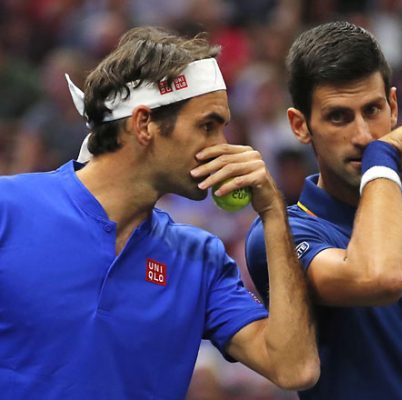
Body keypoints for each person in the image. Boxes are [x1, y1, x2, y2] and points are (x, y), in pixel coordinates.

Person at [0, 26, 319, 399]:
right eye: (208, 126)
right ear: (144, 124)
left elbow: (294, 366)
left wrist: (274, 212)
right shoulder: (10, 209)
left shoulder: (201, 258)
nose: (224, 147)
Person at [246, 21, 402, 399]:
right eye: (338, 117)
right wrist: (384, 157)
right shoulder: (283, 235)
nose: (363, 135)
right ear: (300, 126)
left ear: (394, 107)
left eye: (373, 109)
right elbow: (379, 278)